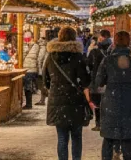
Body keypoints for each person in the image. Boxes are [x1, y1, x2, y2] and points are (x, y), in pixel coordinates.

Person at [95, 30, 131, 160]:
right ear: (129, 43)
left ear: (114, 43)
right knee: (128, 138)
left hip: (110, 101)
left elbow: (99, 81)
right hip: (129, 101)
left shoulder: (107, 61)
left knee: (109, 137)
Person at [43, 26, 91, 160]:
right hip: (76, 102)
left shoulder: (51, 57)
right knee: (77, 137)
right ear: (74, 38)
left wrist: (54, 89)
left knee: (62, 137)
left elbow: (45, 80)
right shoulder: (78, 57)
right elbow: (86, 80)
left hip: (57, 102)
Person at [87, 29, 112, 132]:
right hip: (110, 81)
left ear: (101, 38)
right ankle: (107, 122)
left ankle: (99, 124)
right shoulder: (113, 50)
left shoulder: (95, 51)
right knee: (108, 103)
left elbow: (88, 65)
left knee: (97, 103)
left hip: (97, 80)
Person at [22, 33, 41, 109]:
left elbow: (22, 57)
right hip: (33, 69)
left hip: (27, 69)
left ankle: (28, 104)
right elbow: (38, 59)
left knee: (27, 87)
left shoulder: (24, 46)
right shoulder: (37, 46)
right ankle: (28, 103)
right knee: (29, 86)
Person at [36, 33, 49, 105]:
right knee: (43, 85)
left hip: (42, 69)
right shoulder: (45, 47)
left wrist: (40, 70)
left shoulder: (42, 48)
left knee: (42, 85)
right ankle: (42, 99)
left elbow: (40, 60)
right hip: (44, 68)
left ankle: (43, 99)